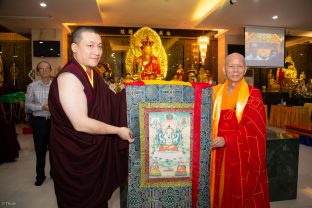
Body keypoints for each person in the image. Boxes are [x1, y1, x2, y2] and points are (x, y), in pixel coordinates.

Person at [48, 26, 134, 208]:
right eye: (90, 46)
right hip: (75, 157)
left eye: (100, 46)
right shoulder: (69, 78)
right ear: (74, 48)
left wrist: (135, 93)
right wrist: (118, 130)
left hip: (94, 152)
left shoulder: (92, 74)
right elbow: (80, 123)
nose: (97, 52)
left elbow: (112, 101)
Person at [210, 53, 270, 208]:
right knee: (219, 189)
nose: (235, 70)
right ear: (224, 69)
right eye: (231, 66)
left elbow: (254, 131)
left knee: (239, 191)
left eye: (239, 66)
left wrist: (227, 139)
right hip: (217, 152)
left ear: (245, 69)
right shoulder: (215, 93)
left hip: (241, 154)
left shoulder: (253, 94)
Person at [25, 61, 52, 186]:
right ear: (38, 71)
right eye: (41, 69)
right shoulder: (32, 86)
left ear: (51, 70)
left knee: (55, 150)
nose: (44, 71)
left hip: (54, 123)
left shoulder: (56, 86)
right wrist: (42, 107)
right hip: (39, 122)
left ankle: (55, 174)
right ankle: (40, 176)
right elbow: (28, 105)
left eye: (47, 68)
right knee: (40, 150)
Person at [0, 73, 20, 164]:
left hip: (6, 114)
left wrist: (15, 100)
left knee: (7, 132)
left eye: (0, 75)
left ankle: (9, 155)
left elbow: (17, 96)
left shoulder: (7, 86)